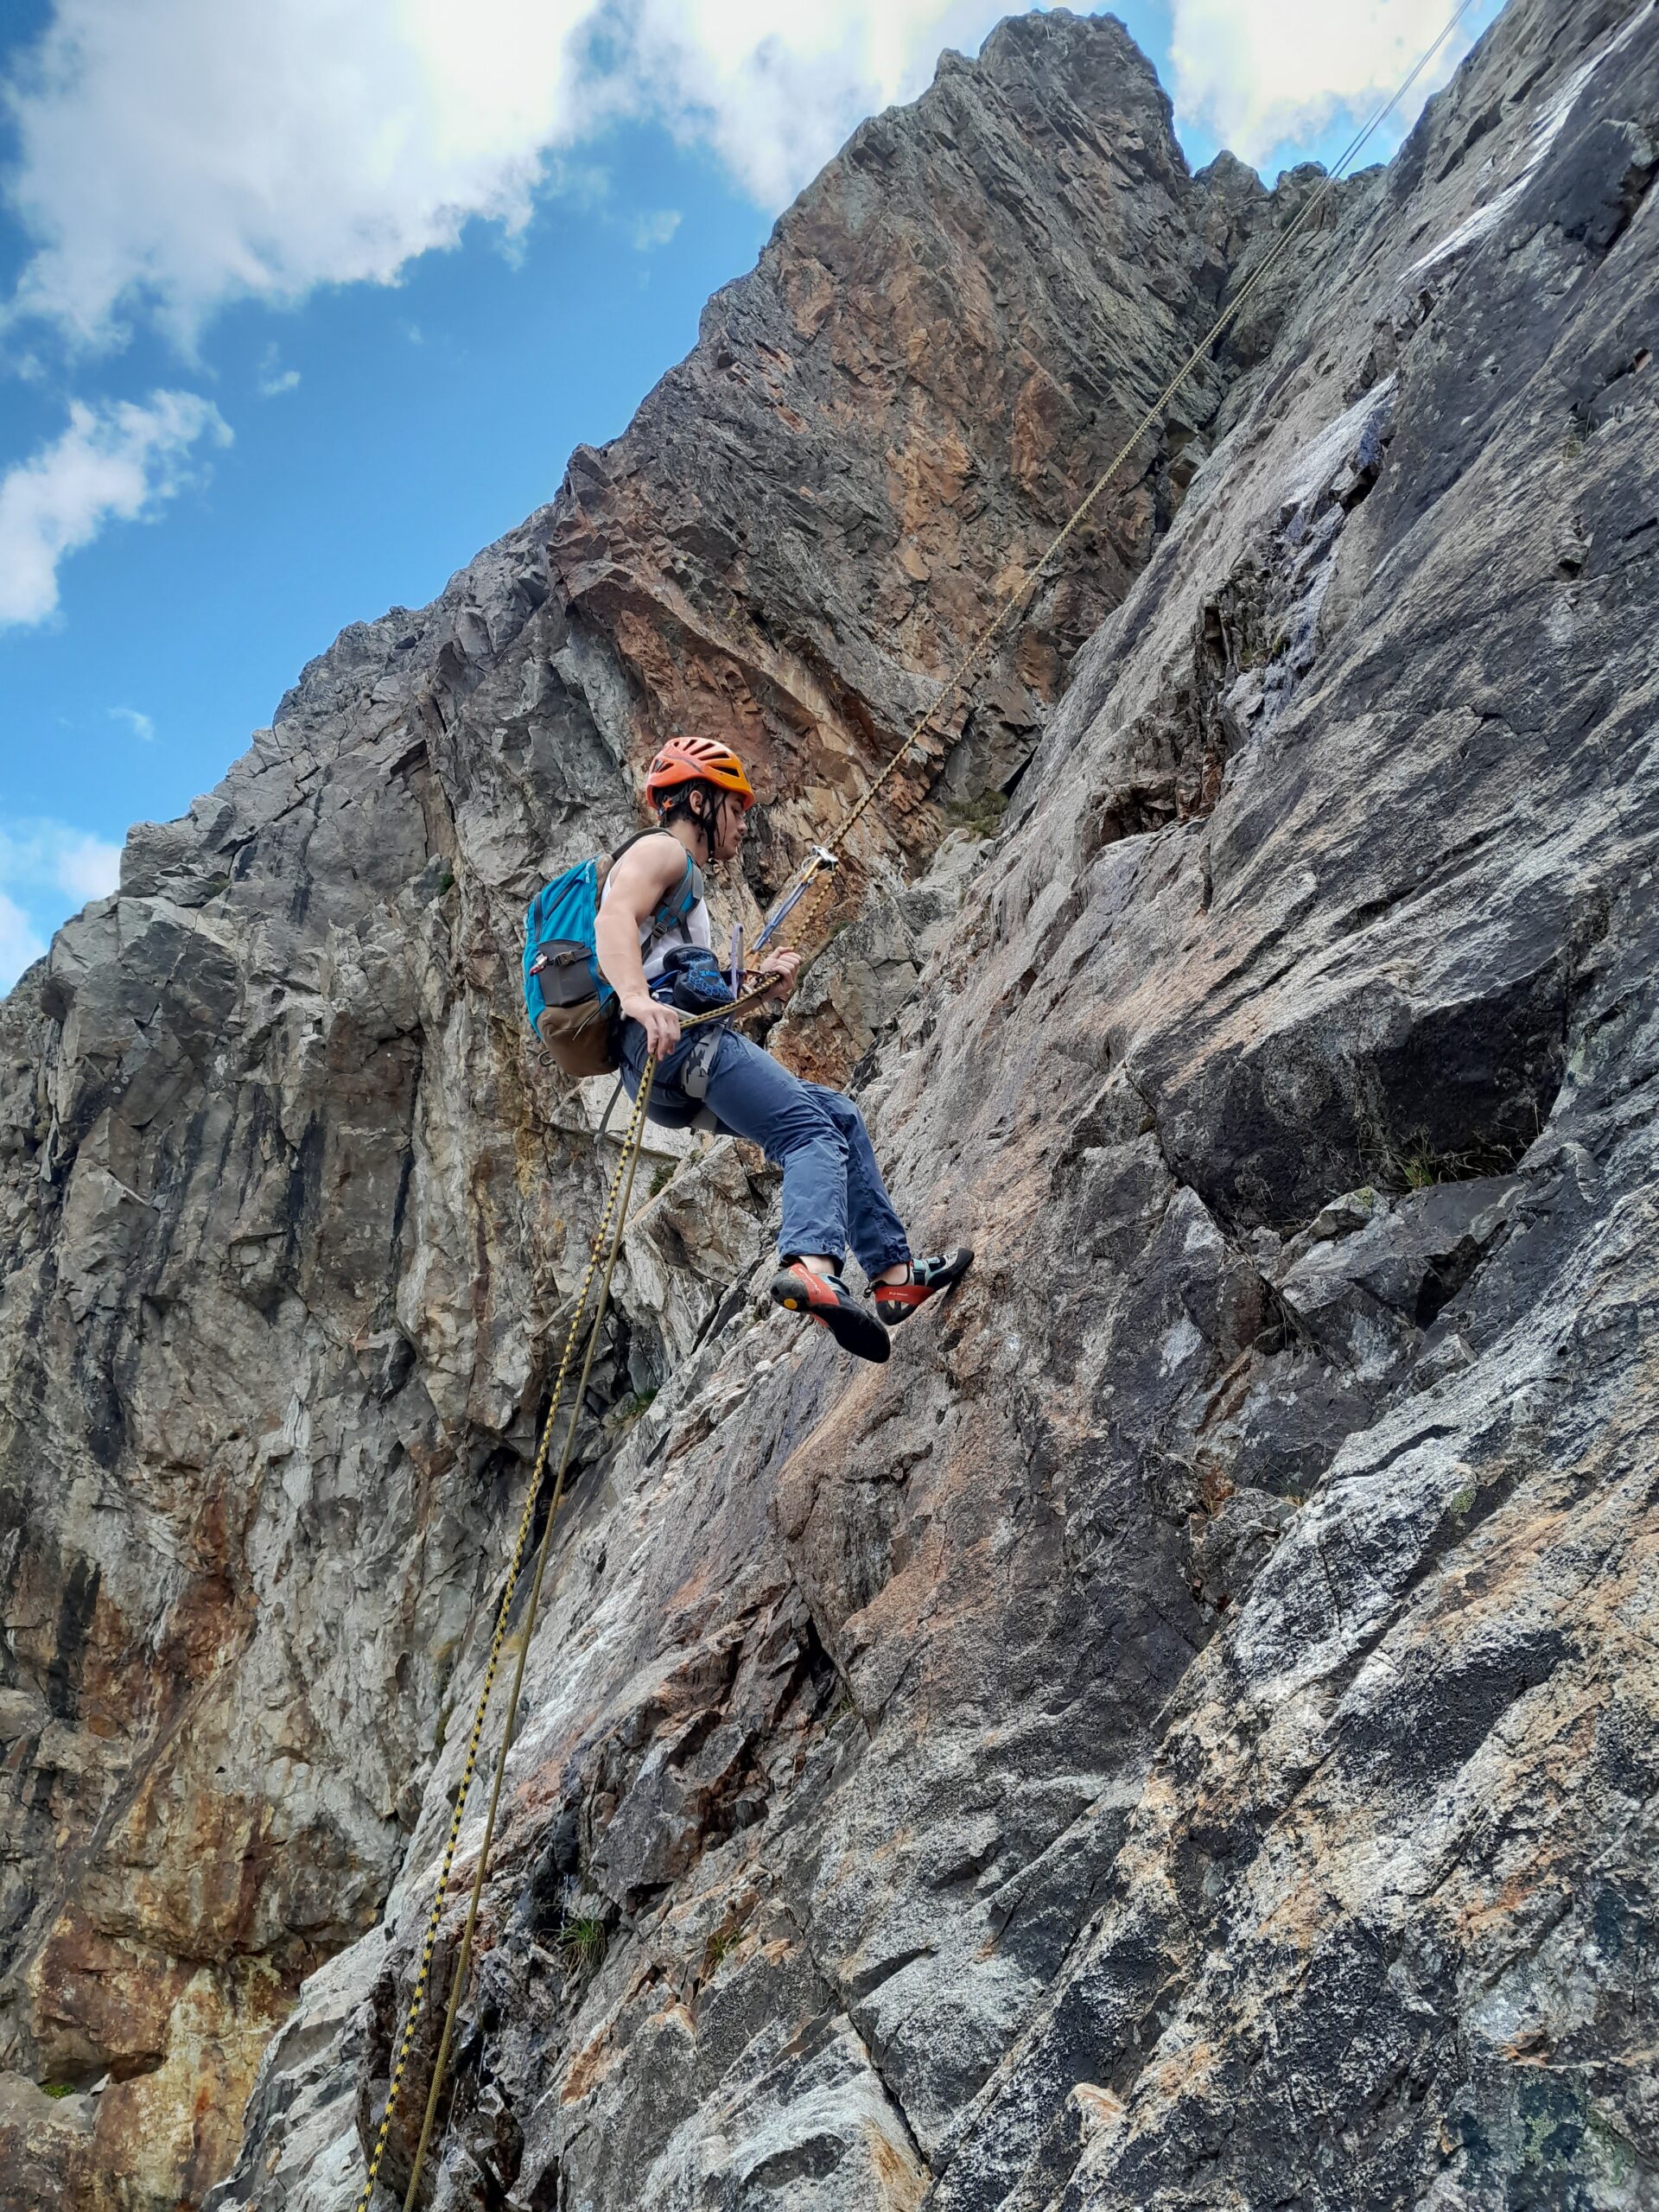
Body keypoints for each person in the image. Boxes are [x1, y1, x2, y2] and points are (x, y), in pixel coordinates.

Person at [594, 735, 971, 1363]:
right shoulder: (661, 851)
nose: (744, 824)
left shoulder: (685, 892)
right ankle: (811, 1265)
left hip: (673, 1058)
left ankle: (893, 1275)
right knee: (810, 1134)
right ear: (697, 799)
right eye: (735, 809)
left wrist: (757, 986)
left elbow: (685, 983)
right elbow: (613, 919)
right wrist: (635, 998)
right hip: (673, 1044)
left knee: (840, 1117)